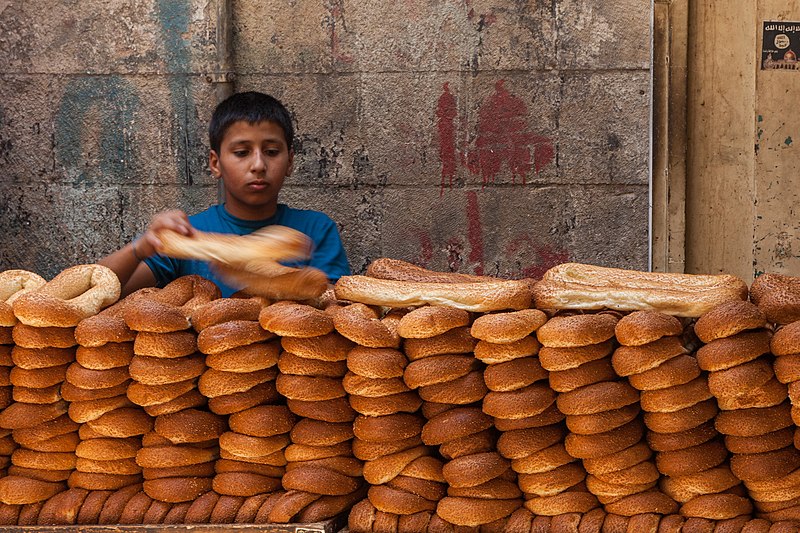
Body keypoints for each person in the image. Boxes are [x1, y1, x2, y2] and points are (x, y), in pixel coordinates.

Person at [99, 91, 350, 297]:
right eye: (242, 153)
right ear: (215, 163)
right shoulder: (191, 235)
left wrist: (264, 275)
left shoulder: (315, 230)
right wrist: (141, 247)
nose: (259, 165)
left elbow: (332, 305)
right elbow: (102, 291)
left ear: (290, 161)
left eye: (272, 151)